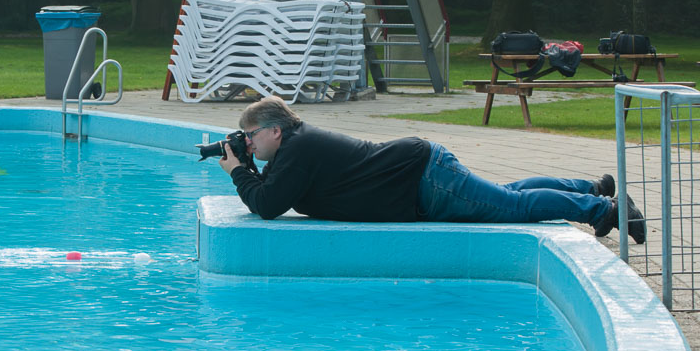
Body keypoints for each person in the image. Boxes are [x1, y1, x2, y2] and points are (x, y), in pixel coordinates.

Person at [217, 96, 645, 243]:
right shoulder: (295, 146)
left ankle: (605, 209)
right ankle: (591, 187)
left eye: (250, 136)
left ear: (274, 130)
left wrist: (237, 169)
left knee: (511, 206)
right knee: (506, 195)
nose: (247, 144)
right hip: (421, 176)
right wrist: (247, 164)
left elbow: (268, 205)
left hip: (422, 179)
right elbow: (271, 192)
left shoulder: (298, 149)